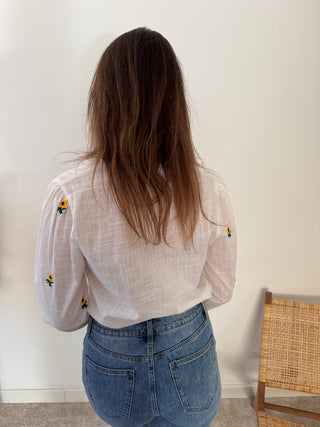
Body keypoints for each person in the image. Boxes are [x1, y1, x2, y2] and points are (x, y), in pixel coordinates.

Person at [34, 27, 236, 427]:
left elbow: (61, 313)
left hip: (113, 354)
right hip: (189, 349)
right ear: (175, 103)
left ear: (103, 102)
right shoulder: (209, 187)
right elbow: (223, 287)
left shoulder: (69, 195)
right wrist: (173, 307)